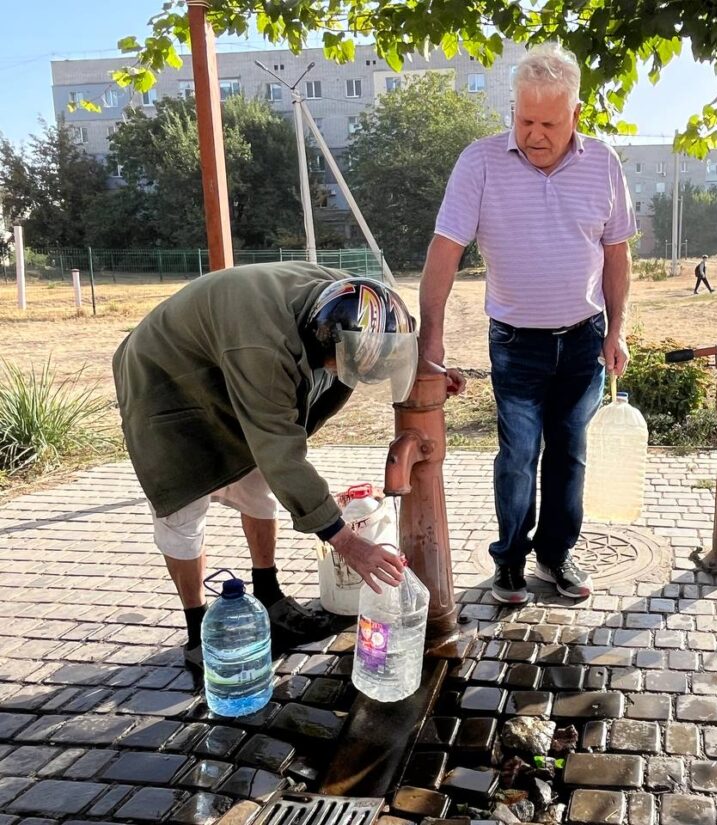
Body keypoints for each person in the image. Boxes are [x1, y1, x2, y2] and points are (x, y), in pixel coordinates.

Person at [113, 262, 414, 670]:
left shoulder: (351, 300)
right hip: (161, 376)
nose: (340, 376)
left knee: (259, 488)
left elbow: (398, 336)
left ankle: (269, 597)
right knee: (184, 506)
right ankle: (199, 628)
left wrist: (431, 370)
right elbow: (281, 451)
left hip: (225, 359)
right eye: (337, 366)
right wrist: (346, 541)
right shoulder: (264, 349)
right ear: (321, 338)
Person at [419, 43, 637, 605]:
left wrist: (616, 330)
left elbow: (616, 253)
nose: (534, 134)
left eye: (549, 122)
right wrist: (432, 340)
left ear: (576, 116)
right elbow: (444, 253)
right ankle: (510, 562)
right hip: (517, 344)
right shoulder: (481, 161)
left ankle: (557, 555)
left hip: (585, 338)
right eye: (524, 119)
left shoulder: (604, 163)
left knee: (570, 453)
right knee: (518, 455)